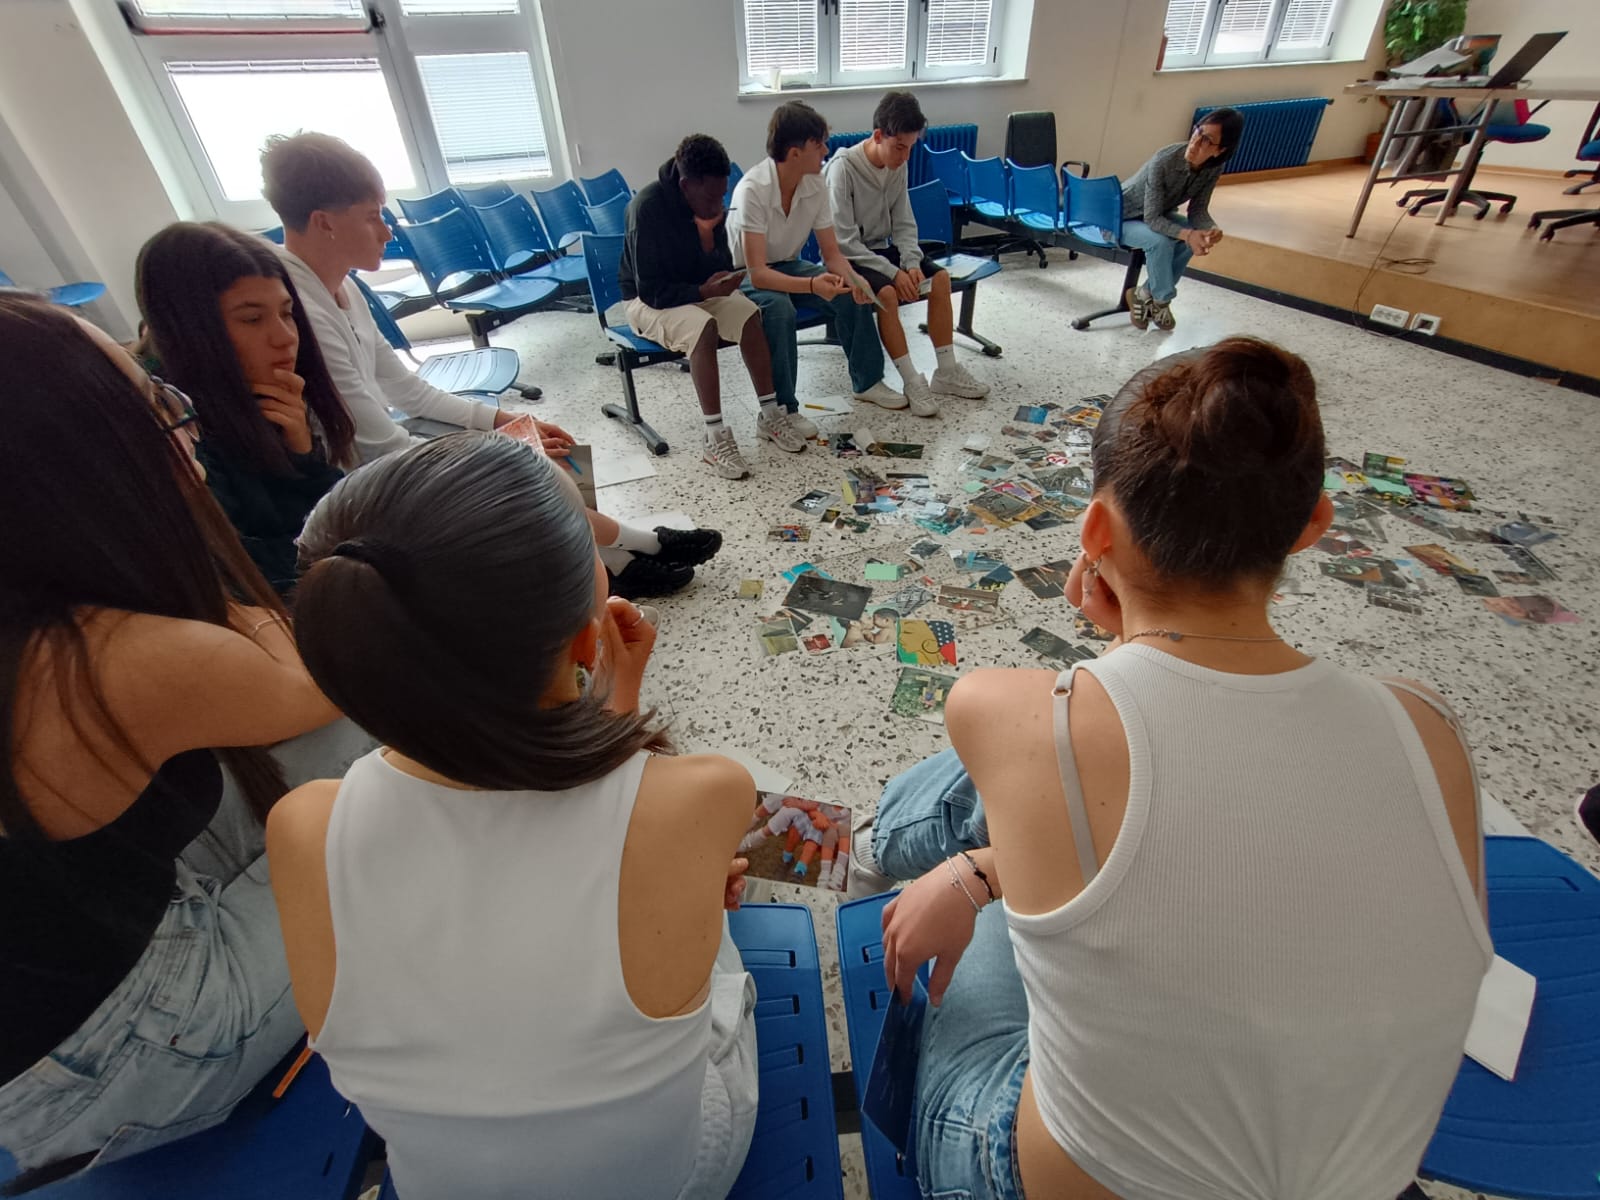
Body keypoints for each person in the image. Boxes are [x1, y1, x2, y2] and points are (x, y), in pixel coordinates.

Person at [870, 338, 1491, 1200]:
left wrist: (1123, 646)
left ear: (1094, 530)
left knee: (982, 821)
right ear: (1314, 525)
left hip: (1023, 1174)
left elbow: (1124, 737)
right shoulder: (1429, 728)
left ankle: (872, 848)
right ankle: (920, 855)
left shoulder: (1006, 708)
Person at [267, 432, 761, 1200]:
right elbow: (608, 819)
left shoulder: (304, 826)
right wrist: (616, 710)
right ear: (586, 642)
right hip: (671, 1178)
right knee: (720, 935)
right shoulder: (705, 794)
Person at [0, 294, 343, 1187]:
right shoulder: (103, 653)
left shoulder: (38, 604)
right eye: (153, 403)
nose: (182, 420)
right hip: (121, 1055)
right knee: (395, 734)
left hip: (56, 1007)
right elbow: (314, 670)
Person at [260, 131, 721, 598]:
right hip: (356, 485)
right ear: (324, 222)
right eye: (372, 216)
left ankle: (612, 562)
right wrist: (502, 445)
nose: (387, 232)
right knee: (528, 469)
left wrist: (508, 421)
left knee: (550, 450)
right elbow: (377, 444)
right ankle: (639, 546)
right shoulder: (300, 311)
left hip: (384, 451)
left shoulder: (343, 288)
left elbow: (407, 391)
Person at [136, 221, 352, 596]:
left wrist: (302, 457)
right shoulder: (169, 424)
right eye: (252, 319)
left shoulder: (259, 391)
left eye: (287, 313)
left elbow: (335, 521)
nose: (285, 337)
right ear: (188, 328)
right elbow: (245, 573)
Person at [621, 133, 785, 480]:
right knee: (702, 327)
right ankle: (715, 436)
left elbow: (719, 263)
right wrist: (701, 290)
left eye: (723, 194)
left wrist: (713, 251)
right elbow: (650, 290)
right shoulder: (646, 209)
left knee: (748, 314)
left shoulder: (709, 209)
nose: (718, 203)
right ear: (686, 186)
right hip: (645, 301)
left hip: (694, 292)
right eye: (712, 196)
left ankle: (770, 414)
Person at [728, 102, 902, 422]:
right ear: (795, 153)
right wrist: (812, 285)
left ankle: (868, 382)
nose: (825, 149)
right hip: (743, 275)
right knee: (779, 309)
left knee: (850, 292)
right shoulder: (752, 190)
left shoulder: (816, 182)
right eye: (818, 143)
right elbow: (758, 274)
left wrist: (855, 279)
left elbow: (832, 255)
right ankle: (784, 409)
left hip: (787, 265)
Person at [825, 91, 989, 409]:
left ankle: (946, 371)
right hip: (850, 258)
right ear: (878, 136)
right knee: (887, 293)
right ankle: (912, 380)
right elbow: (844, 242)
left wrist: (911, 263)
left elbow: (903, 223)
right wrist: (894, 273)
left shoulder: (897, 166)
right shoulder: (842, 169)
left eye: (911, 147)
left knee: (939, 279)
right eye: (899, 147)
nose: (905, 156)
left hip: (881, 252)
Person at [1119, 107, 1245, 331]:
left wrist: (1210, 229)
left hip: (1153, 216)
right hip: (1120, 216)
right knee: (1160, 241)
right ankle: (1162, 301)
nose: (1196, 142)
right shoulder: (1165, 159)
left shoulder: (1213, 168)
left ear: (1220, 150)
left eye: (1207, 140)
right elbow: (1152, 218)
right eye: (1198, 131)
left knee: (1195, 234)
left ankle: (1144, 294)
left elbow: (1198, 210)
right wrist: (1188, 234)